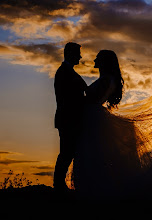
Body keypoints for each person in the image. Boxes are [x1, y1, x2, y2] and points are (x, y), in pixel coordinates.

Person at [73, 49, 152, 200]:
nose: (95, 60)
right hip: (94, 116)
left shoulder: (106, 80)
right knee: (95, 154)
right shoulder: (109, 79)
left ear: (104, 61)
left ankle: (95, 193)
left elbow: (92, 99)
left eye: (98, 58)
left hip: (93, 117)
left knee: (92, 154)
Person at [54, 42, 87, 191]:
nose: (80, 57)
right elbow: (68, 97)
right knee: (66, 152)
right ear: (70, 54)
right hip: (68, 119)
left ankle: (59, 185)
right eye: (78, 54)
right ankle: (59, 185)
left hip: (71, 118)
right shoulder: (64, 72)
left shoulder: (69, 72)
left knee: (69, 152)